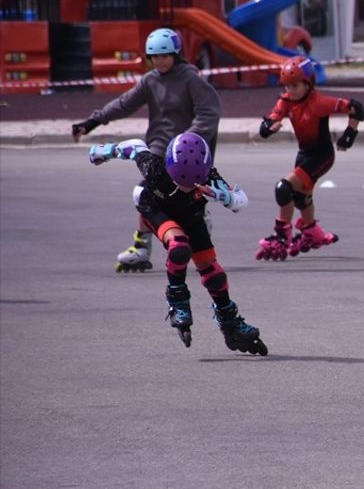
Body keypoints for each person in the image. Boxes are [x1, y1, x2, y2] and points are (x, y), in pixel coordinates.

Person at [88, 132, 269, 355]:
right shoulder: (155, 168)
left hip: (192, 218)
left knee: (215, 274)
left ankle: (228, 319)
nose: (186, 187)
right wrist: (103, 152)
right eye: (180, 181)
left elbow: (241, 201)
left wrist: (218, 194)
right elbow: (134, 147)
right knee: (179, 247)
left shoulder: (209, 177)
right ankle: (177, 301)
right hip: (156, 211)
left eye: (191, 184)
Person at [71, 27, 222, 273]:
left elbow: (210, 111)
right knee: (146, 193)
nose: (160, 61)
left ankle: (192, 221)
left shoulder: (190, 79)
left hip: (184, 155)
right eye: (154, 56)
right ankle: (142, 246)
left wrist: (190, 140)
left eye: (165, 55)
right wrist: (92, 122)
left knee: (163, 197)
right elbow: (124, 104)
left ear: (176, 54)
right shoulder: (150, 81)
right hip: (157, 150)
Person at [255, 56, 364, 261]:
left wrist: (348, 136)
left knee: (283, 188)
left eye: (294, 85)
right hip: (304, 155)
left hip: (322, 156)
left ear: (308, 83)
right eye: (286, 86)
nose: (290, 90)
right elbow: (268, 122)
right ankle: (312, 232)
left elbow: (357, 108)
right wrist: (269, 128)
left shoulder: (319, 103)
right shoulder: (286, 101)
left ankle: (281, 236)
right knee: (300, 197)